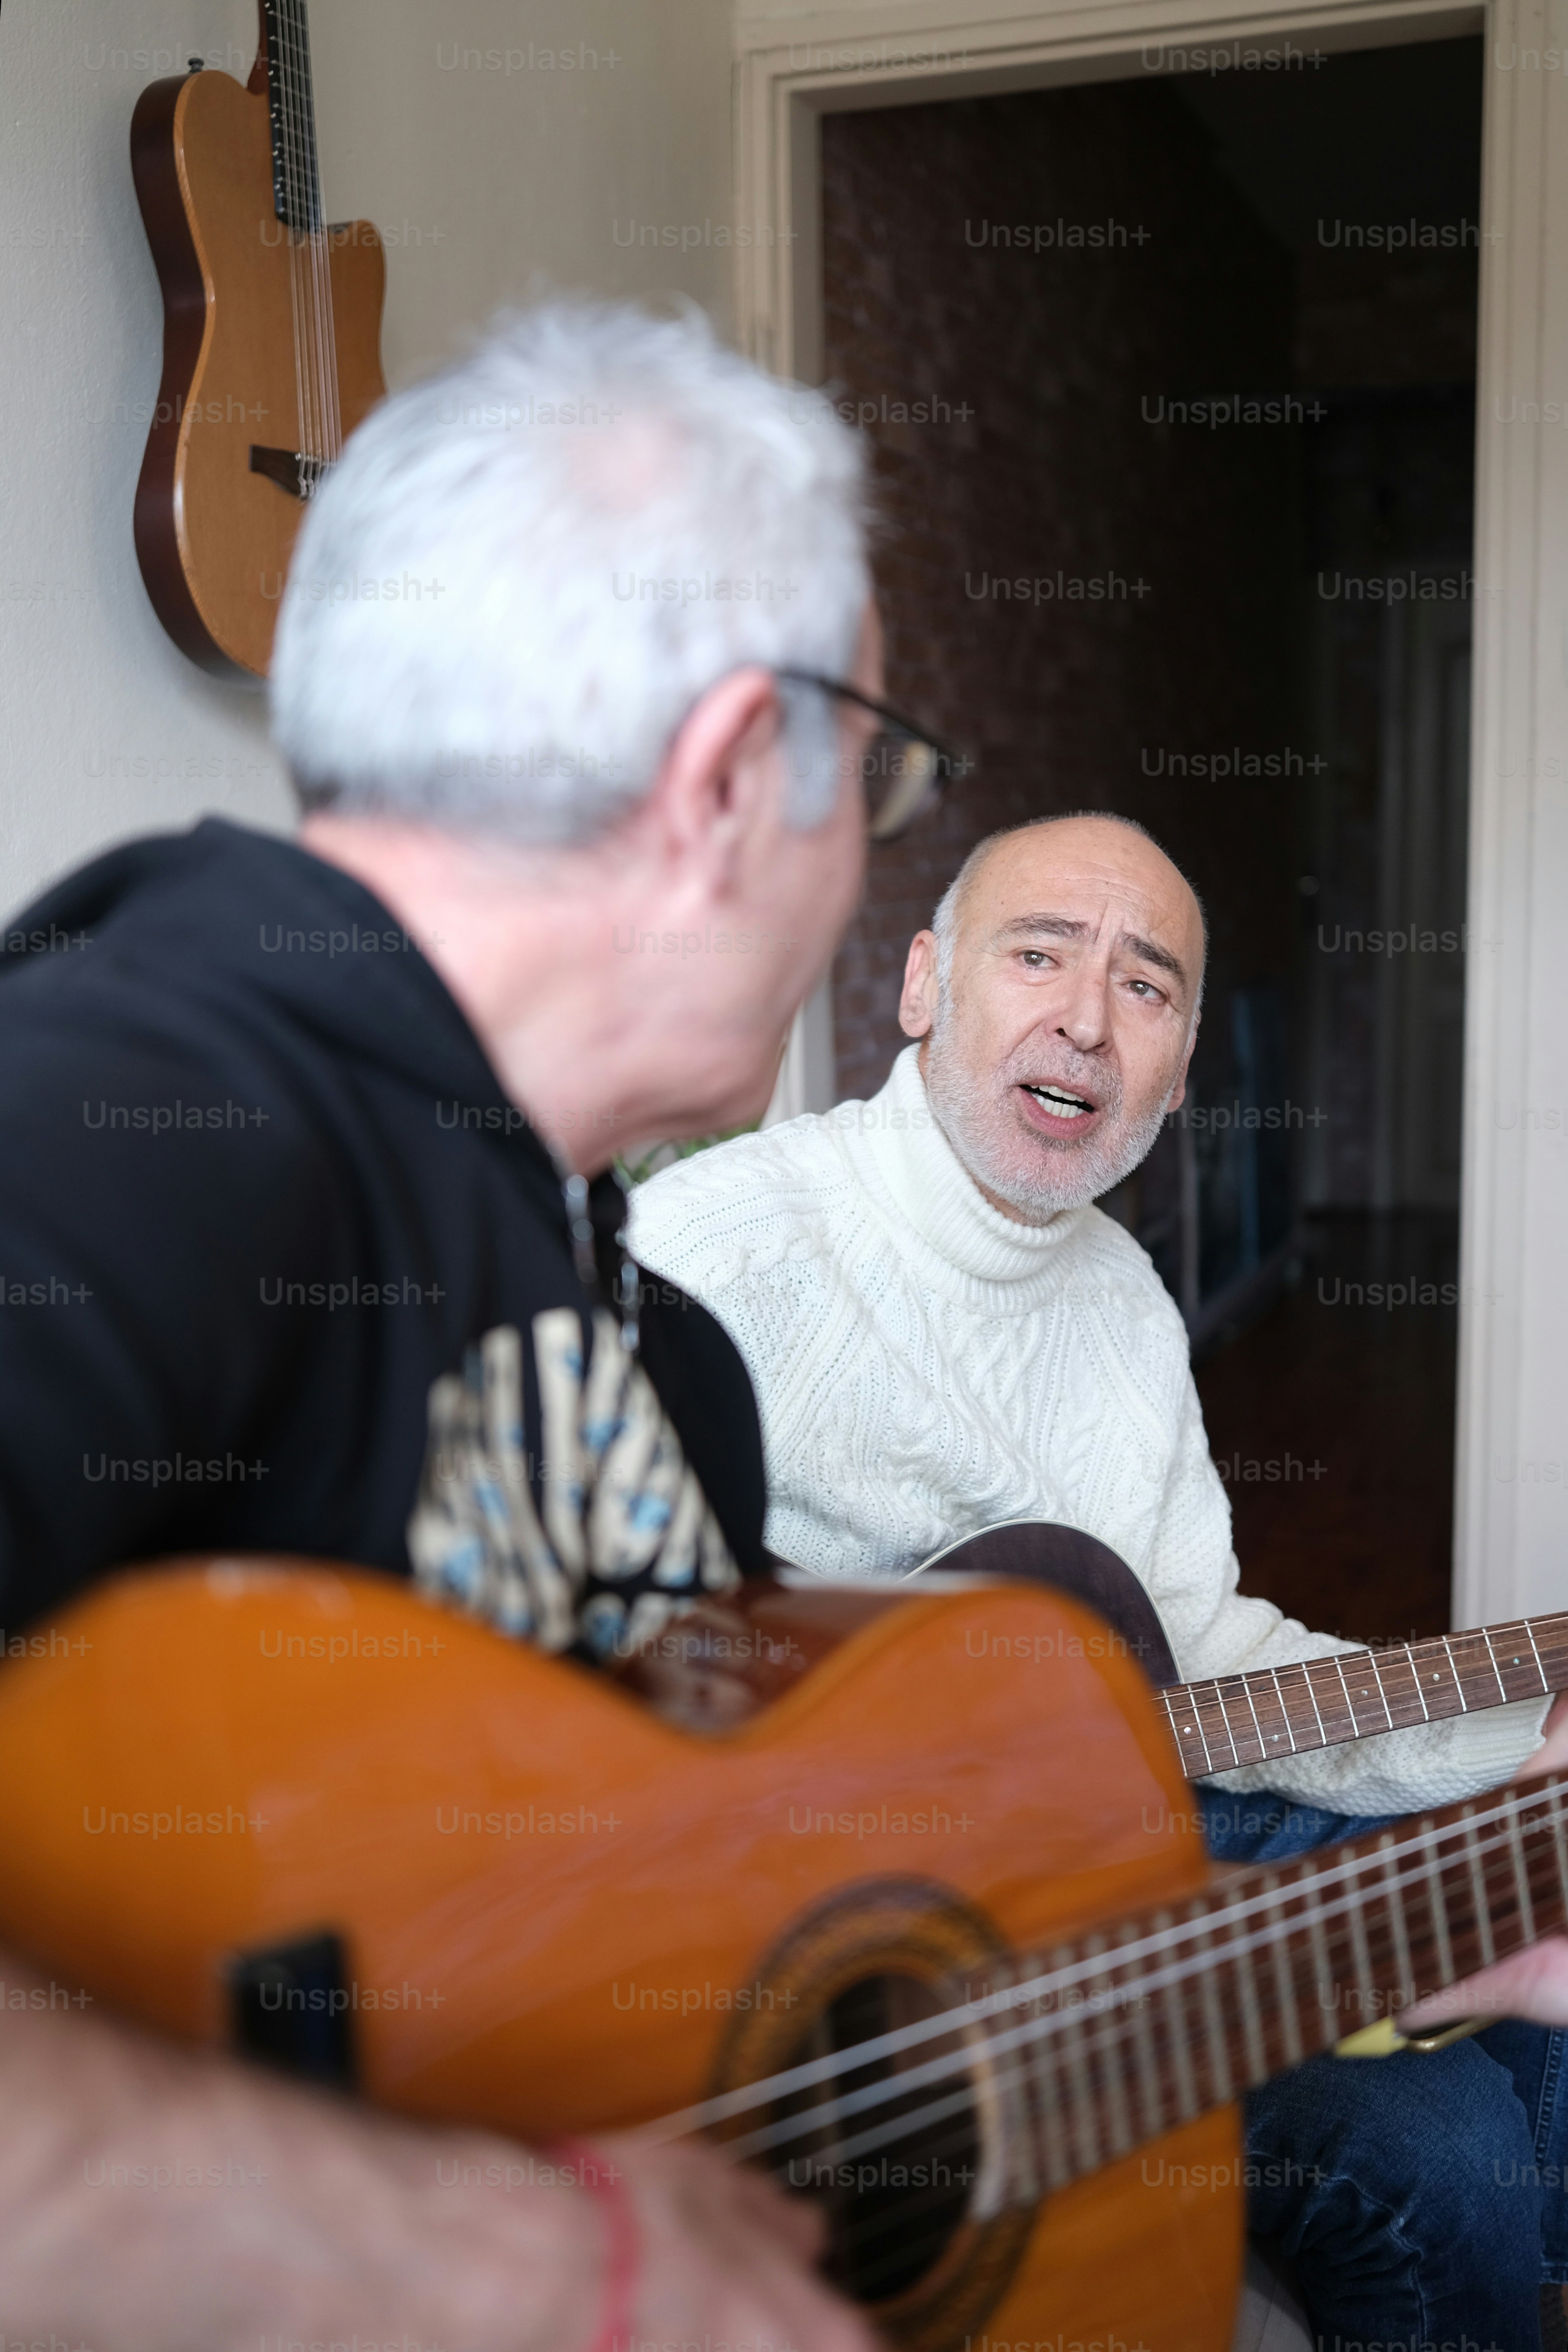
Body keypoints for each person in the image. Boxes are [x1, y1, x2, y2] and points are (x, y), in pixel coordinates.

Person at [0, 299, 888, 2352]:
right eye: (873, 769)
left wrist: (1339, 1940)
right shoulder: (150, 1115)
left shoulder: (658, 1353)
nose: (865, 864)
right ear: (729, 779)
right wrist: (514, 2259)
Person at [630, 808, 1568, 2348]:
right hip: (855, 1967)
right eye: (1038, 954)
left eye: (1145, 987)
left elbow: (1198, 1647)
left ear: (1179, 1069)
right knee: (1439, 2147)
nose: (1084, 1017)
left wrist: (1513, 1737)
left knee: (1524, 1858)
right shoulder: (711, 1257)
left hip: (1114, 1826)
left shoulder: (1122, 1298)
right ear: (923, 985)